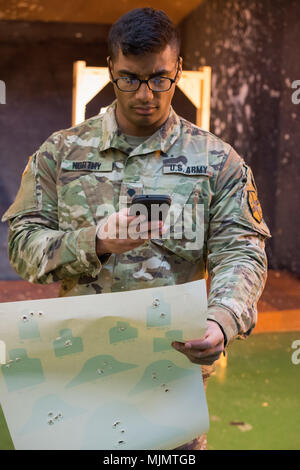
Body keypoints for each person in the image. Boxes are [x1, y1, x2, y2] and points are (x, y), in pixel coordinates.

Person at [2, 8, 271, 450]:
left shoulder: (218, 162)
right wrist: (96, 242)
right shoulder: (60, 153)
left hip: (171, 378)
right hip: (79, 376)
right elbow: (22, 246)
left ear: (178, 70)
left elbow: (242, 252)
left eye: (160, 78)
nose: (146, 93)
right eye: (130, 78)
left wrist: (223, 320)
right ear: (110, 68)